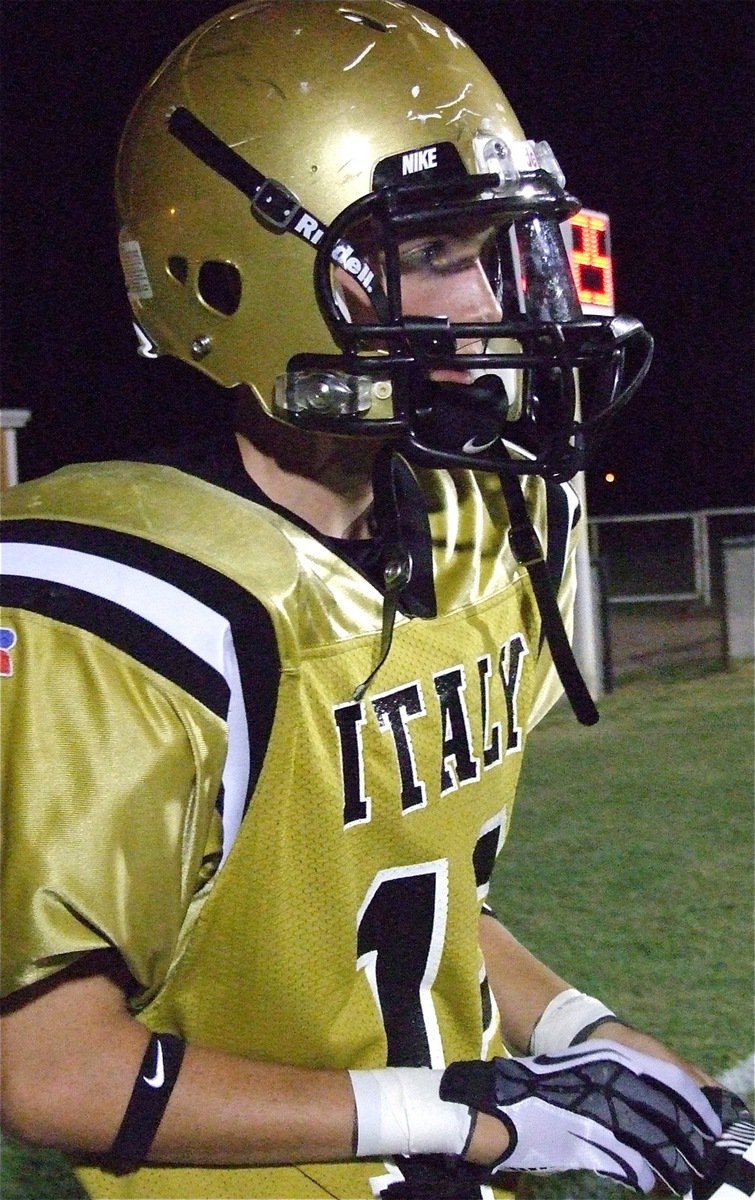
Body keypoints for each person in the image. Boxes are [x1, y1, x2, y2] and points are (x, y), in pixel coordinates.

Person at [1, 3, 752, 1200]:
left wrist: (580, 1036)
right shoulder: (122, 602)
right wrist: (460, 1114)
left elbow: (414, 908)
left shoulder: (473, 523)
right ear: (236, 271)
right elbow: (47, 1071)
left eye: (497, 249)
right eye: (434, 254)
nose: (488, 300)